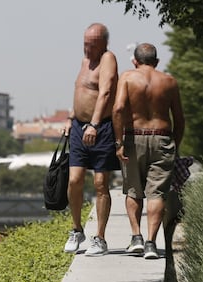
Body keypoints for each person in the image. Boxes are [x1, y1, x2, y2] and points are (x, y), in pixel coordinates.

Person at [112, 43, 185, 259]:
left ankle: (136, 238)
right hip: (162, 139)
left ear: (135, 61)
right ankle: (152, 243)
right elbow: (179, 119)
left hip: (134, 137)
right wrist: (175, 145)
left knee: (133, 190)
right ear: (157, 61)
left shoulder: (127, 77)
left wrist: (118, 142)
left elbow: (117, 109)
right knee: (157, 193)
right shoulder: (169, 81)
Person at [63, 23, 120, 256]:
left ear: (103, 44)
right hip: (78, 126)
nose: (86, 48)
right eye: (85, 43)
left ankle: (100, 238)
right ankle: (77, 230)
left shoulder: (108, 58)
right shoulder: (85, 60)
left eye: (91, 45)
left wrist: (94, 125)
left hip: (101, 127)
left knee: (100, 183)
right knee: (74, 180)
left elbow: (105, 93)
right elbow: (80, 90)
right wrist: (70, 117)